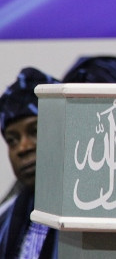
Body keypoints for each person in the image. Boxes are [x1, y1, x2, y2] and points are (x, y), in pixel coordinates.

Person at [0, 67, 60, 259]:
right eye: (12, 140)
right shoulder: (4, 221)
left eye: (35, 131)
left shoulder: (95, 218)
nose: (22, 148)